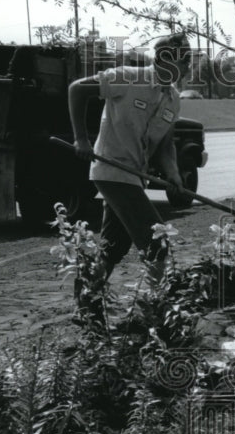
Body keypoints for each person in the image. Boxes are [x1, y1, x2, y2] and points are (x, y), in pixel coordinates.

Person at [67, 33, 192, 320]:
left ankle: (87, 303)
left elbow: (165, 144)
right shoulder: (127, 77)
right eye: (183, 60)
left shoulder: (173, 99)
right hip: (110, 169)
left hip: (134, 177)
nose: (187, 67)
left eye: (188, 61)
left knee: (114, 245)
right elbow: (77, 90)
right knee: (156, 242)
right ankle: (154, 310)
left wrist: (173, 174)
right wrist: (82, 140)